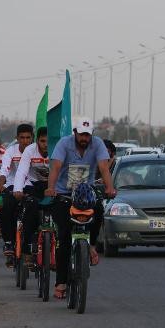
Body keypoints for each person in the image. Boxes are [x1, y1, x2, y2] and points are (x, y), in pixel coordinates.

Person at [44, 117, 115, 299]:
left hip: (86, 193)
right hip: (63, 194)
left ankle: (90, 245)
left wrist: (109, 188)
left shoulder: (97, 144)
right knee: (64, 237)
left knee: (98, 209)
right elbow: (56, 167)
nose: (85, 139)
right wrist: (51, 188)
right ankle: (61, 282)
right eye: (81, 135)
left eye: (88, 135)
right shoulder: (64, 144)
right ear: (74, 133)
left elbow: (104, 168)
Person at [0, 124, 34, 264]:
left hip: (30, 186)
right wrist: (0, 184)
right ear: (17, 138)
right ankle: (9, 242)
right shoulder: (11, 151)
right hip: (11, 186)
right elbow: (4, 169)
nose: (25, 141)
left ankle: (33, 244)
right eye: (22, 138)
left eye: (28, 138)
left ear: (32, 138)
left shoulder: (35, 150)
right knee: (5, 207)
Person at [13, 126, 50, 269]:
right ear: (37, 141)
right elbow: (21, 171)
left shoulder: (57, 150)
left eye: (48, 141)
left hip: (51, 187)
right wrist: (17, 189)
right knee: (31, 209)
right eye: (42, 141)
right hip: (33, 185)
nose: (46, 144)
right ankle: (28, 249)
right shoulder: (29, 150)